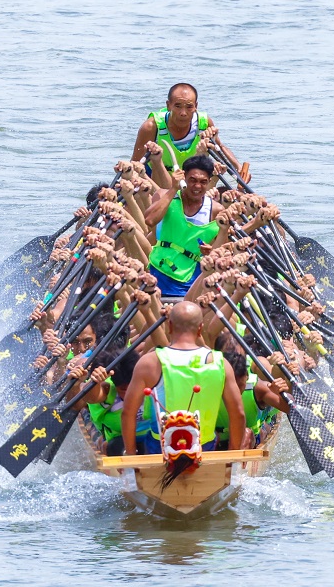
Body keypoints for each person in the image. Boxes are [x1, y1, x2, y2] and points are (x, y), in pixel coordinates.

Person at [120, 301, 246, 455]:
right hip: (204, 448)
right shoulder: (220, 363)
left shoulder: (150, 362)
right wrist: (233, 454)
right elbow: (238, 414)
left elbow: (128, 413)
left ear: (170, 326)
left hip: (159, 450)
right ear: (200, 329)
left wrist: (132, 456)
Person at [142, 155, 223, 298]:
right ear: (183, 178)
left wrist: (211, 251)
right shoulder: (165, 196)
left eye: (203, 182)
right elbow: (149, 220)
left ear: (210, 182)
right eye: (192, 180)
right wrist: (174, 188)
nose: (197, 186)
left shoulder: (217, 210)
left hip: (190, 278)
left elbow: (223, 249)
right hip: (158, 271)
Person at [130, 83, 240, 173]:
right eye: (178, 106)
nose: (183, 113)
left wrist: (238, 167)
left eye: (189, 107)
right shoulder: (151, 126)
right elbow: (136, 163)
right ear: (168, 105)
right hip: (157, 176)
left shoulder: (204, 123)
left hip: (189, 177)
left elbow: (218, 147)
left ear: (196, 106)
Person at [212, 332, 291, 450]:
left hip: (249, 440)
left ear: (247, 376)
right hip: (217, 438)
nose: (234, 391)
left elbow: (291, 408)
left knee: (246, 434)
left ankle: (235, 463)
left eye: (239, 385)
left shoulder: (258, 387)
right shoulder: (210, 381)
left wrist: (283, 390)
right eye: (229, 385)